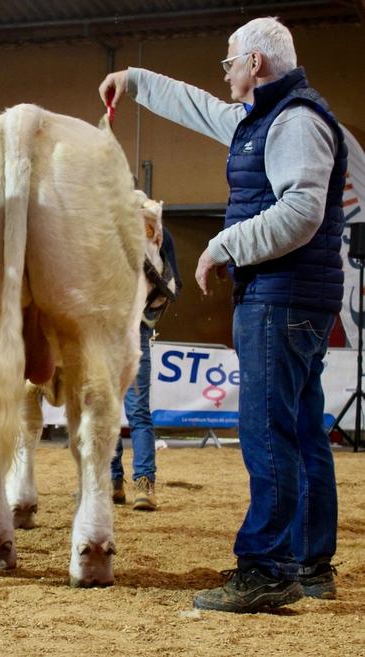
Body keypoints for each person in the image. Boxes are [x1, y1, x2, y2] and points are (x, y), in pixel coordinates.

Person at [100, 16, 346, 613]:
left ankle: (267, 568)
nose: (227, 72)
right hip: (294, 295)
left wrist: (222, 246)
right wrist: (132, 79)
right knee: (302, 429)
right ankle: (309, 563)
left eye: (230, 62)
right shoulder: (265, 118)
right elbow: (197, 107)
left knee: (268, 433)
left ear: (256, 64)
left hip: (280, 295)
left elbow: (302, 212)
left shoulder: (294, 122)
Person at [111, 213, 181, 511]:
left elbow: (172, 283)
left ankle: (136, 482)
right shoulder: (155, 232)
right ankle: (122, 482)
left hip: (125, 328)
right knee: (117, 409)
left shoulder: (156, 233)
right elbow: (173, 285)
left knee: (122, 410)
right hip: (117, 327)